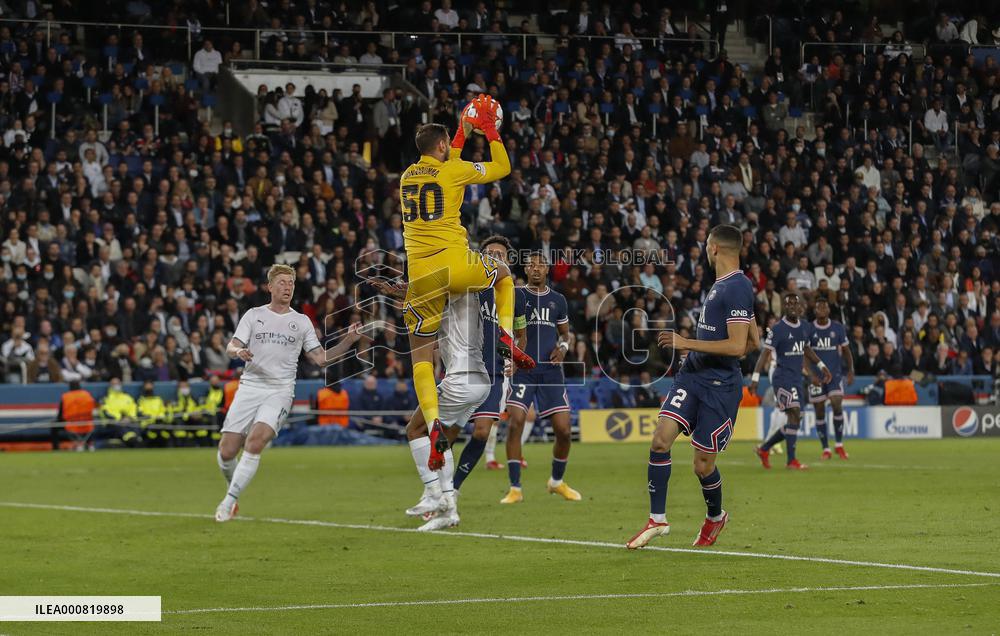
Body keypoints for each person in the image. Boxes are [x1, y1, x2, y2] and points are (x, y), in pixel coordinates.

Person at [400, 96, 534, 475]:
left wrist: (460, 131)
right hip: (457, 264)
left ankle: (432, 422)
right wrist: (488, 130)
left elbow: (448, 157)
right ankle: (506, 336)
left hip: (421, 275)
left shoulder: (408, 176)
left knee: (421, 361)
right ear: (441, 148)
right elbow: (503, 167)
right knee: (505, 276)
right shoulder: (453, 173)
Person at [626, 225, 759, 550]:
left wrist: (689, 342)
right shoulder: (724, 286)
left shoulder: (737, 287)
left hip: (721, 386)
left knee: (703, 465)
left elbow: (739, 345)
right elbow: (753, 341)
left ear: (714, 248)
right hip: (693, 376)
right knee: (660, 440)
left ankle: (715, 517)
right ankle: (657, 519)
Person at [214, 264, 361, 522]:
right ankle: (232, 490)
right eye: (282, 282)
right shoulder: (253, 315)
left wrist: (348, 341)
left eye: (291, 283)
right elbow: (231, 346)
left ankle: (228, 502)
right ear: (270, 287)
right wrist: (239, 352)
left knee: (255, 442)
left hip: (280, 390)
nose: (287, 287)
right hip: (250, 386)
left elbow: (321, 358)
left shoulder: (301, 321)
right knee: (226, 452)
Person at [502, 251, 580, 504]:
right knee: (515, 423)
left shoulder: (558, 300)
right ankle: (515, 488)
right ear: (525, 270)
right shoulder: (515, 295)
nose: (536, 268)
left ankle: (556, 482)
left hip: (550, 371)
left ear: (547, 270)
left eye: (541, 265)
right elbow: (502, 328)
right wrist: (510, 358)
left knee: (564, 430)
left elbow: (567, 335)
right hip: (523, 370)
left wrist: (564, 348)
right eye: (531, 265)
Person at [457, 235, 526, 492]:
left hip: (496, 370)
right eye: (490, 254)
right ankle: (435, 488)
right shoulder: (469, 286)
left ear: (508, 261)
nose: (496, 258)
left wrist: (516, 358)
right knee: (449, 431)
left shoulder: (515, 296)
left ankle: (452, 490)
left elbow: (521, 335)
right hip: (463, 366)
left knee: (482, 432)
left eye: (501, 255)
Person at [749, 292, 832, 470]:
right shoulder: (778, 329)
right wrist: (755, 378)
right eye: (789, 304)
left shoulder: (804, 326)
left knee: (795, 419)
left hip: (796, 378)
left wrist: (822, 366)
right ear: (785, 308)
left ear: (800, 307)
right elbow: (764, 354)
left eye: (796, 304)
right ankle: (791, 461)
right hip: (782, 378)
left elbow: (806, 349)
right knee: (793, 412)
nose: (793, 307)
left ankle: (764, 449)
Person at [807, 296, 854, 460]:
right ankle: (826, 448)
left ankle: (839, 445)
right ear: (815, 310)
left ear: (828, 310)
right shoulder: (809, 329)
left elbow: (847, 350)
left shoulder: (838, 328)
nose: (821, 310)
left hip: (835, 375)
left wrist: (851, 370)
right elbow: (805, 354)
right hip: (817, 377)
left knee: (836, 403)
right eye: (818, 307)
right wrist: (811, 374)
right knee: (819, 411)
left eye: (824, 307)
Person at [56, 379, 96, 450]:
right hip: (87, 424)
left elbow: (60, 414)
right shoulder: (87, 394)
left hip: (72, 426)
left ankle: (56, 448)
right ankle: (90, 444)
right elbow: (92, 409)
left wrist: (60, 419)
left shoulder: (66, 396)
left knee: (54, 426)